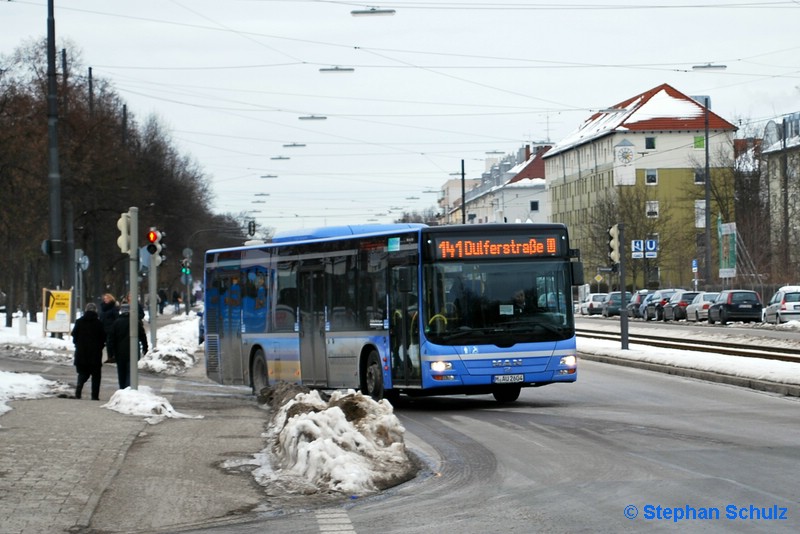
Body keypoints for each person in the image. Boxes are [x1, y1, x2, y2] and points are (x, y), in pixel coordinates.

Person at [70, 303, 107, 400]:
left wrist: (78, 344)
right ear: (95, 311)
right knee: (96, 375)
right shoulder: (99, 323)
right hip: (95, 354)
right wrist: (100, 346)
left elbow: (74, 335)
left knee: (82, 372)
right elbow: (103, 338)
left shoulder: (79, 322)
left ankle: (79, 387)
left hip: (81, 353)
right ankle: (94, 396)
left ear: (86, 310)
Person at [110, 304, 149, 390]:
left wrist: (111, 353)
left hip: (119, 352)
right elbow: (142, 336)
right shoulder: (135, 322)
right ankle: (128, 389)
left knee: (121, 373)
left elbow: (111, 339)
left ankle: (122, 389)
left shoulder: (116, 323)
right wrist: (145, 348)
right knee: (131, 372)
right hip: (133, 351)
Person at [99, 293, 119, 364]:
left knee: (110, 342)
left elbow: (116, 318)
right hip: (103, 328)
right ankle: (109, 357)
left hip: (111, 328)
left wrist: (114, 326)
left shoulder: (114, 308)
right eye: (104, 298)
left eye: (107, 298)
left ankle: (113, 357)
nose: (105, 300)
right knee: (106, 343)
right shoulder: (103, 307)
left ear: (111, 299)